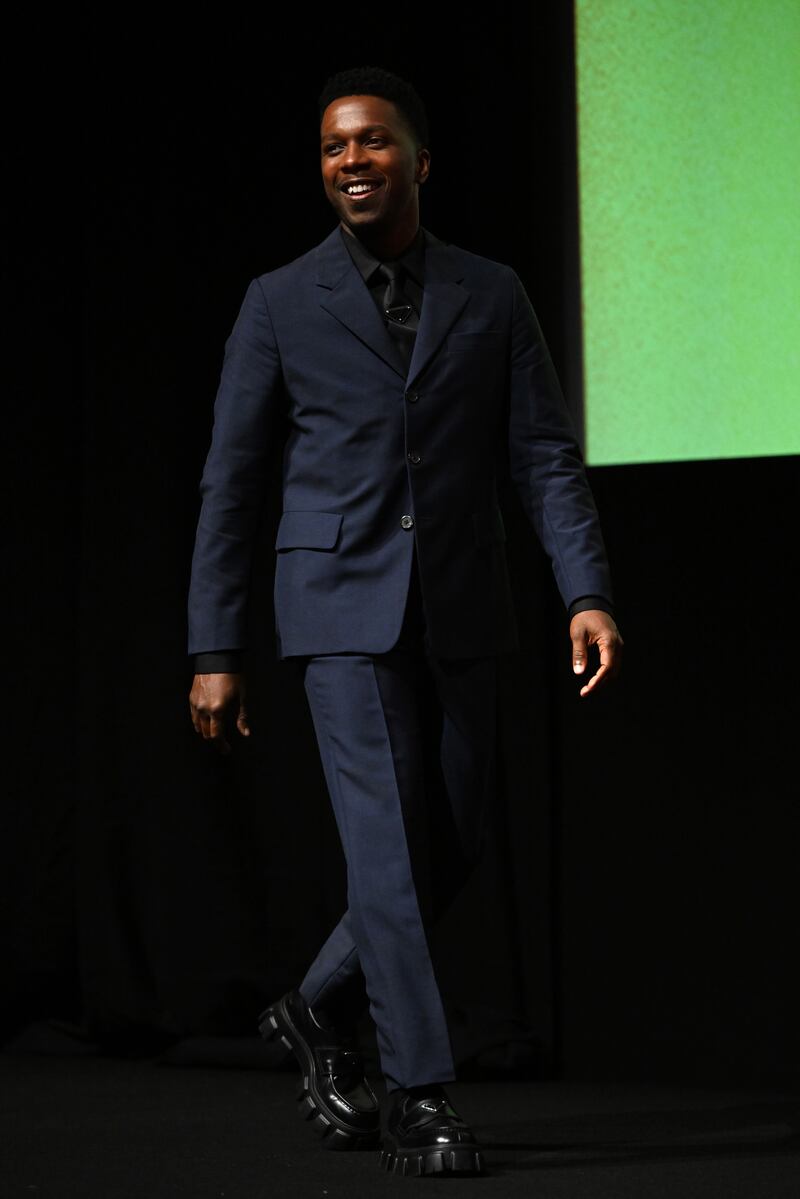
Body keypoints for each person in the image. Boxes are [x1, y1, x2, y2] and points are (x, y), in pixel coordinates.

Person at [187, 65, 622, 1178]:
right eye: (333, 146)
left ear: (419, 161)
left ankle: (312, 1004)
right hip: (336, 611)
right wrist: (215, 646)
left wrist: (584, 590)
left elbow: (541, 456)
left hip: (465, 606)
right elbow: (231, 484)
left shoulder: (491, 291)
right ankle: (418, 1091)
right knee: (384, 850)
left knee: (452, 842)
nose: (351, 161)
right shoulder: (278, 301)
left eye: (372, 141)